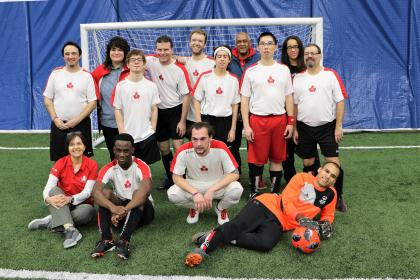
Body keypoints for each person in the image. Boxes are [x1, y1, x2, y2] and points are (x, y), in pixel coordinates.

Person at [184, 162, 340, 267]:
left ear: (334, 181)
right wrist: (300, 218)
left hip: (280, 223)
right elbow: (286, 201)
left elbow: (329, 215)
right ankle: (202, 251)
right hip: (266, 204)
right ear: (319, 169)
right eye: (327, 171)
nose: (328, 176)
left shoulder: (332, 194)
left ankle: (216, 235)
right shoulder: (301, 178)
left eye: (333, 176)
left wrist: (326, 223)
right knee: (239, 226)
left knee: (265, 244)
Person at [293, 43, 348, 212]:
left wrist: (338, 126)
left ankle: (337, 198)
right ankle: (311, 195)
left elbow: (340, 100)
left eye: (313, 53)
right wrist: (295, 128)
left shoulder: (330, 75)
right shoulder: (297, 78)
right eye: (307, 53)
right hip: (304, 127)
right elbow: (294, 105)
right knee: (308, 162)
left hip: (327, 127)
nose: (310, 56)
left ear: (319, 55)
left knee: (333, 164)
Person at [241, 31, 294, 195]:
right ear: (257, 47)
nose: (266, 46)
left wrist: (290, 122)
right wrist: (247, 126)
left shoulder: (283, 70)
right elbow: (244, 100)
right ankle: (255, 192)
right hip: (257, 120)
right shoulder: (251, 71)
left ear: (276, 47)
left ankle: (275, 194)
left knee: (277, 159)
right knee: (257, 161)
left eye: (270, 43)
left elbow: (289, 97)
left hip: (279, 120)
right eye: (263, 43)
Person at [28, 132, 98, 249]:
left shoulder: (92, 165)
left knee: (89, 212)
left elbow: (87, 192)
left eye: (79, 144)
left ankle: (51, 221)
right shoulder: (60, 162)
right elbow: (49, 187)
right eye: (72, 144)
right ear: (68, 147)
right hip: (61, 203)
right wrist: (47, 199)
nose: (75, 147)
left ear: (84, 146)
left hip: (81, 204)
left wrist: (70, 199)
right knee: (54, 190)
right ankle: (71, 231)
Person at [90, 133, 154, 260]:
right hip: (120, 212)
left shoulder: (141, 166)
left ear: (132, 150)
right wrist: (113, 208)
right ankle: (107, 240)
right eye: (118, 150)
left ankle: (124, 241)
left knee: (137, 193)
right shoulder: (109, 168)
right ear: (113, 150)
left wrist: (123, 211)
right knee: (105, 194)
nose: (122, 154)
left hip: (143, 213)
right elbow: (95, 193)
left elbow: (145, 192)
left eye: (126, 151)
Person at [167, 122, 243, 225]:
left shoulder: (220, 147)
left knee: (237, 190)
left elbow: (235, 174)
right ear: (191, 138)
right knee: (172, 194)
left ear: (210, 137)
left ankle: (220, 208)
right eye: (195, 139)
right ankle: (195, 207)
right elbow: (176, 177)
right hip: (194, 184)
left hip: (217, 184)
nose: (198, 144)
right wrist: (194, 192)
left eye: (203, 139)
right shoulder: (183, 150)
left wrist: (212, 190)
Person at [145, 35, 192, 190]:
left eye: (166, 49)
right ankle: (171, 177)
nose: (162, 53)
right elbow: (135, 59)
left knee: (179, 147)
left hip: (176, 111)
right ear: (155, 50)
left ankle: (184, 178)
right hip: (158, 112)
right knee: (164, 148)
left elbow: (186, 96)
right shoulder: (151, 62)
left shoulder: (179, 69)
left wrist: (182, 120)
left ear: (172, 50)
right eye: (159, 49)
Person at [43, 41, 97, 161]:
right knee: (59, 159)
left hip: (81, 124)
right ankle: (60, 179)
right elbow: (47, 99)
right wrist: (55, 119)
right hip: (59, 125)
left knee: (82, 159)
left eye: (74, 53)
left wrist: (76, 120)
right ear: (63, 56)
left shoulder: (87, 76)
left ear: (79, 55)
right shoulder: (55, 74)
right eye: (67, 54)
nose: (70, 56)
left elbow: (93, 102)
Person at [280, 35, 321, 183]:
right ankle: (291, 181)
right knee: (286, 151)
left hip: (304, 116)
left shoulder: (308, 67)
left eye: (295, 46)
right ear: (285, 50)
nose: (293, 50)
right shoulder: (280, 69)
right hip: (285, 115)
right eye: (289, 47)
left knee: (310, 151)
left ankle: (314, 179)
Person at [112, 49, 161, 165]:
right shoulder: (121, 86)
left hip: (146, 135)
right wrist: (122, 132)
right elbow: (117, 110)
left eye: (139, 60)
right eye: (133, 60)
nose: (136, 62)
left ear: (144, 64)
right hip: (128, 135)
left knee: (145, 168)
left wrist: (152, 129)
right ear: (128, 64)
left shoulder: (151, 86)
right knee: (127, 167)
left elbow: (154, 108)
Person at [193, 45, 240, 148]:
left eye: (225, 56)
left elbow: (235, 105)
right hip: (207, 120)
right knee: (206, 150)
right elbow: (197, 100)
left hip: (225, 121)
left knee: (222, 151)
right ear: (214, 59)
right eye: (219, 56)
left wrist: (233, 129)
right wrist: (199, 123)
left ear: (229, 60)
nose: (222, 59)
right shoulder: (205, 77)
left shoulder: (234, 80)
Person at [91, 36, 130, 160]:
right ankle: (117, 177)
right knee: (114, 154)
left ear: (125, 52)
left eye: (120, 50)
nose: (116, 53)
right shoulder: (100, 70)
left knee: (131, 154)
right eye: (113, 49)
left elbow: (151, 59)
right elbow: (87, 84)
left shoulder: (132, 69)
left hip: (129, 121)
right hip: (107, 121)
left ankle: (133, 178)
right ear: (109, 52)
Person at [228, 31, 261, 176]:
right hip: (234, 109)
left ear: (249, 43)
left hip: (253, 109)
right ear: (236, 44)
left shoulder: (259, 58)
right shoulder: (229, 58)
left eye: (244, 41)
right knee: (232, 145)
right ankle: (236, 175)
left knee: (253, 146)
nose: (242, 44)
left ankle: (256, 178)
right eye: (239, 41)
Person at [185, 29, 215, 135]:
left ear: (205, 44)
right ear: (189, 42)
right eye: (194, 40)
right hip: (189, 115)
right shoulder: (184, 63)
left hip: (207, 114)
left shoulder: (213, 64)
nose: (196, 43)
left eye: (200, 41)